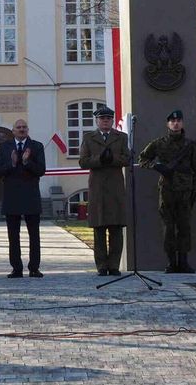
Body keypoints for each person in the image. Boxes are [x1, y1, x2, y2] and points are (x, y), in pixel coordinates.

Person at [139, 109, 196, 273]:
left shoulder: (190, 145)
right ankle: (171, 262)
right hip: (167, 191)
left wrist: (194, 189)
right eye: (172, 121)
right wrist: (156, 166)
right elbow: (143, 159)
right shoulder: (159, 143)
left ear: (182, 123)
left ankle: (183, 262)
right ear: (168, 124)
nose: (176, 123)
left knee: (184, 227)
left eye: (179, 121)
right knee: (168, 228)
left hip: (185, 191)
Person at [77, 105, 130, 276]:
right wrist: (99, 159)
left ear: (112, 120)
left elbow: (127, 158)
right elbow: (83, 161)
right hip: (98, 187)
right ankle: (101, 265)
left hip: (115, 187)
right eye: (102, 119)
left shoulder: (121, 137)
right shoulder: (89, 137)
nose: (105, 121)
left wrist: (112, 158)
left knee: (116, 228)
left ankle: (114, 265)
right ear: (97, 121)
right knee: (99, 228)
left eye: (108, 118)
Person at [0, 119, 46, 278]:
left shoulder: (36, 146)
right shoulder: (4, 147)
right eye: (18, 127)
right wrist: (12, 163)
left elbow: (41, 170)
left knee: (34, 235)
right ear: (13, 130)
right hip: (12, 195)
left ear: (28, 130)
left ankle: (34, 268)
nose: (22, 130)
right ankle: (16, 268)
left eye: (24, 127)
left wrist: (26, 162)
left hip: (31, 195)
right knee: (13, 235)